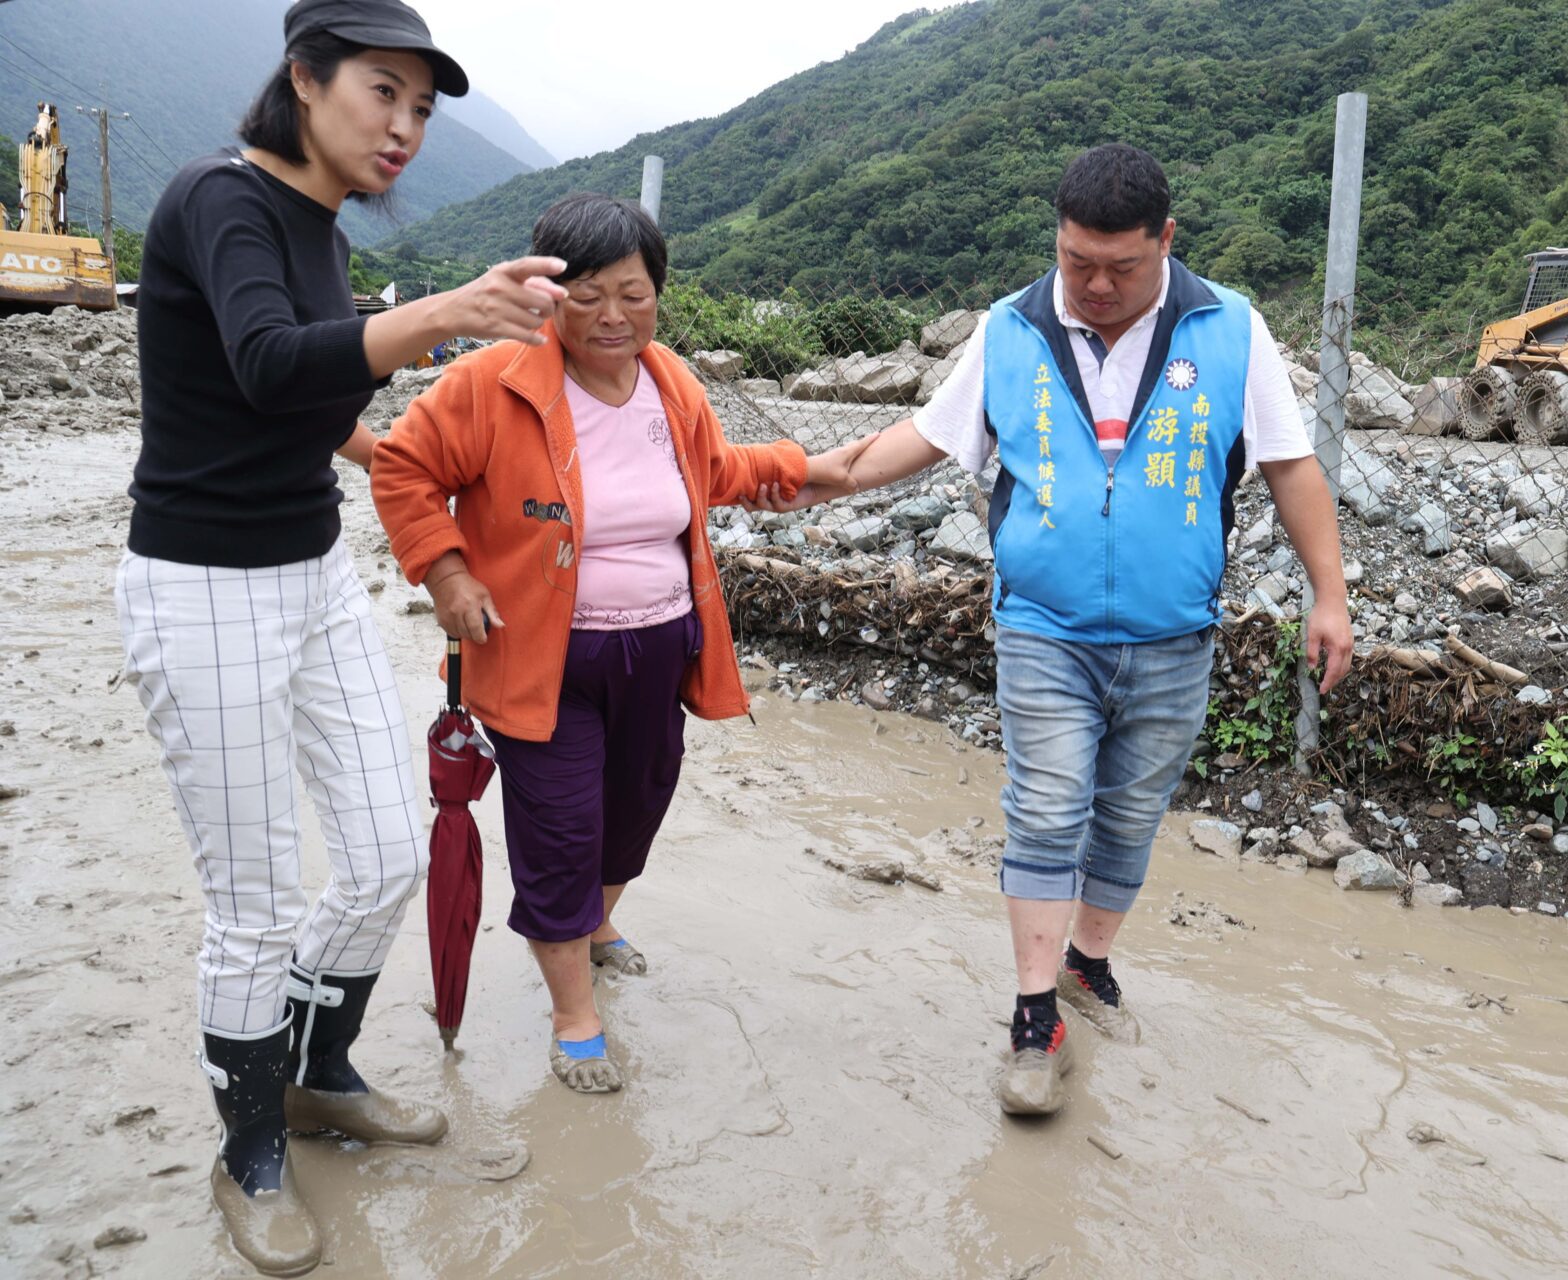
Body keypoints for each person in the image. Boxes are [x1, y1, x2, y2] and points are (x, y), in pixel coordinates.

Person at [114, 2, 578, 1273]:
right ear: (306, 80)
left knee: (384, 847)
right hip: (202, 581)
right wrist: (446, 314)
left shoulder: (318, 228)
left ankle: (319, 1070)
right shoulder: (220, 198)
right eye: (384, 91)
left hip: (310, 569)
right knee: (255, 901)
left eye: (422, 108)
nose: (405, 126)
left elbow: (307, 392)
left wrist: (384, 454)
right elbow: (269, 361)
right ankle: (251, 1147)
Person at [803, 144, 1354, 1115]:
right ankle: (1033, 1018)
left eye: (1121, 268)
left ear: (1166, 241)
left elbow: (1288, 465)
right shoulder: (1011, 329)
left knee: (1131, 815)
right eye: (1076, 263)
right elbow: (924, 438)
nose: (1095, 287)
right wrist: (804, 475)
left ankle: (1087, 962)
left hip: (1174, 634)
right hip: (1044, 629)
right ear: (1056, 241)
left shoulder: (1230, 329)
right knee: (1050, 806)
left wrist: (1330, 594)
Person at [371, 193, 847, 1095]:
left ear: (658, 293)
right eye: (586, 296)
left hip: (659, 650)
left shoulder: (672, 383)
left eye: (633, 294)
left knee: (636, 807)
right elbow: (403, 466)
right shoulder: (492, 382)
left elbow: (713, 472)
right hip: (539, 662)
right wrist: (448, 574)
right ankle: (574, 1016)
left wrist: (802, 469)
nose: (613, 317)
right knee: (560, 830)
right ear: (545, 295)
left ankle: (595, 921)